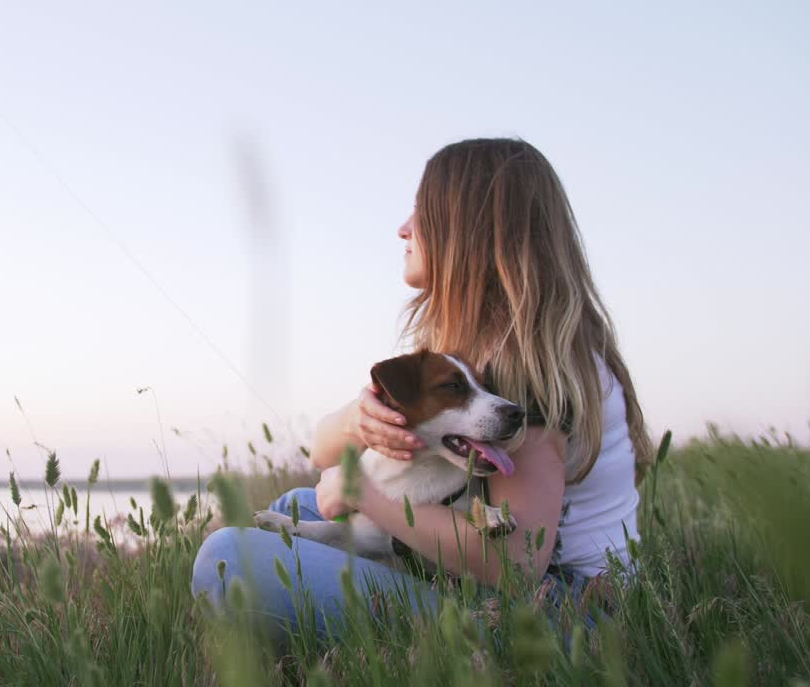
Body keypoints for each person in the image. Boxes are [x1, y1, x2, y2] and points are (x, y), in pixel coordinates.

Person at [190, 138, 654, 638]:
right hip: (504, 583)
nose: (404, 229)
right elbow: (324, 451)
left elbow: (515, 566)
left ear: (468, 232)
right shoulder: (474, 350)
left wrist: (367, 496)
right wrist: (360, 421)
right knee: (288, 510)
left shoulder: (529, 364)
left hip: (566, 612)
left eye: (422, 214)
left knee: (227, 560)